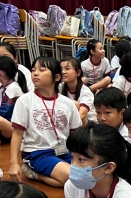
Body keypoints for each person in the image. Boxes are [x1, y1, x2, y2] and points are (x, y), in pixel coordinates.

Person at [7, 57, 82, 187]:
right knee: (73, 177)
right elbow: (17, 134)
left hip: (65, 151)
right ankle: (35, 172)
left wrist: (81, 157)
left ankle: (37, 175)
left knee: (88, 177)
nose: (35, 73)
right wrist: (14, 163)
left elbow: (76, 134)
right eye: (33, 70)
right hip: (38, 153)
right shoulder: (25, 100)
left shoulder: (68, 103)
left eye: (42, 70)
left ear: (57, 77)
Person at [0, 42, 34, 109]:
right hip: (0, 107)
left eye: (6, 56)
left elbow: (30, 96)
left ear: (15, 59)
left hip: (19, 108)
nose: (2, 60)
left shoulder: (24, 72)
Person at [60, 57, 94, 125]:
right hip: (68, 120)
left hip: (89, 124)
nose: (63, 72)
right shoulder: (60, 87)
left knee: (75, 104)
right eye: (60, 69)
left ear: (78, 73)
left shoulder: (85, 91)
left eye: (67, 69)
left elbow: (82, 114)